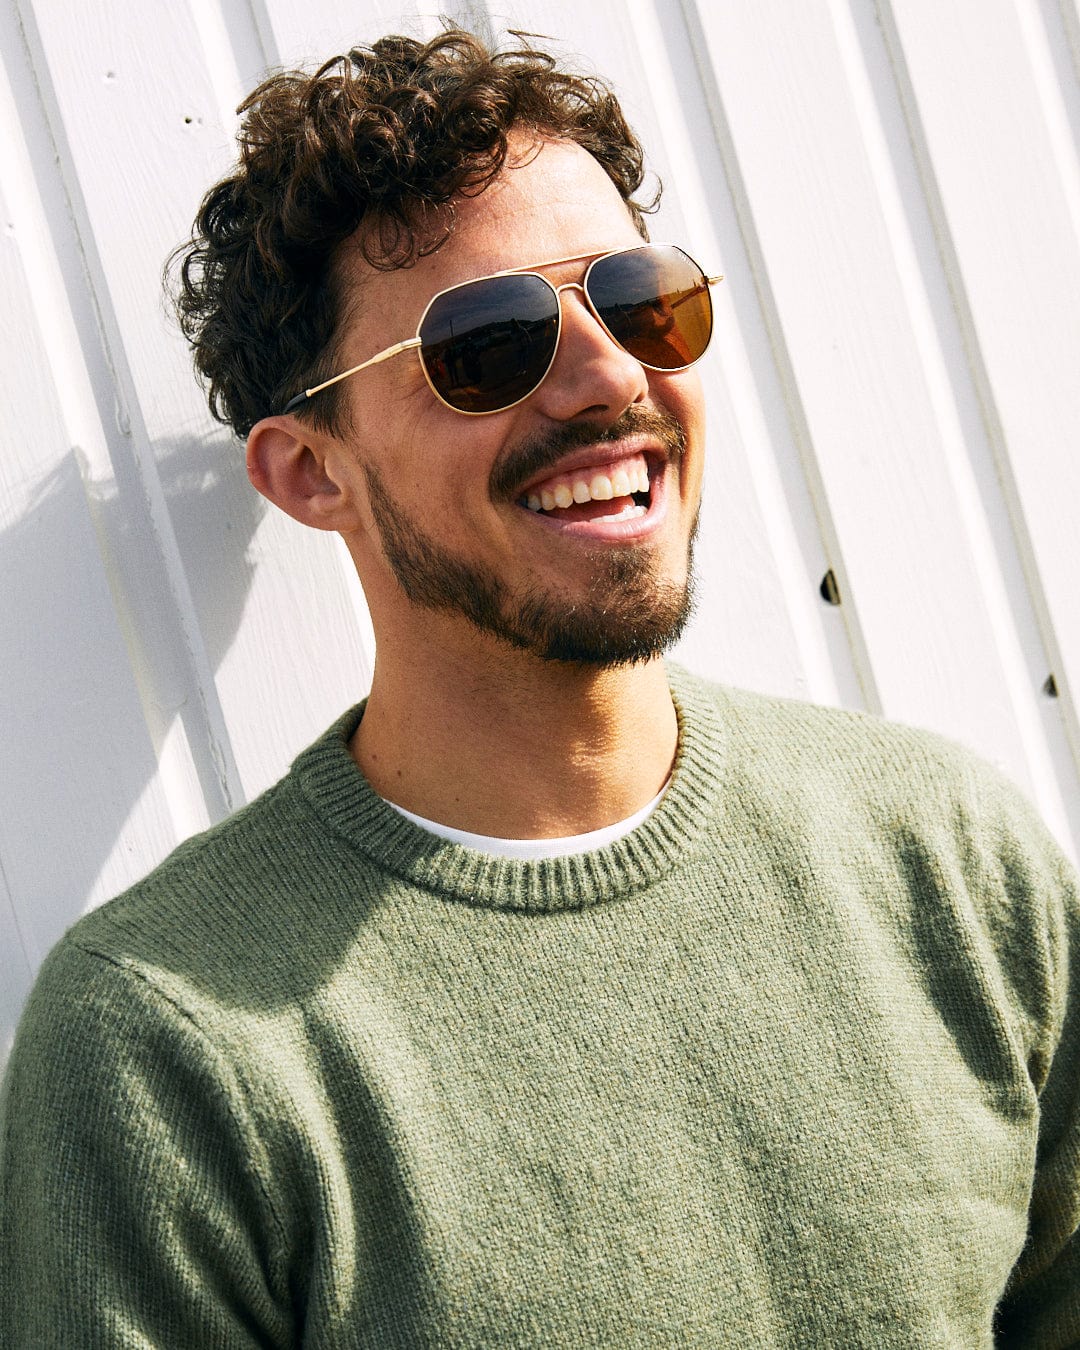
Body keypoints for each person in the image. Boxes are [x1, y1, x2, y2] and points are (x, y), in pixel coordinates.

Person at [1, 27, 1078, 1349]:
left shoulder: (952, 865)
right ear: (309, 472)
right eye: (491, 342)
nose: (617, 376)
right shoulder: (167, 1047)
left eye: (644, 301)